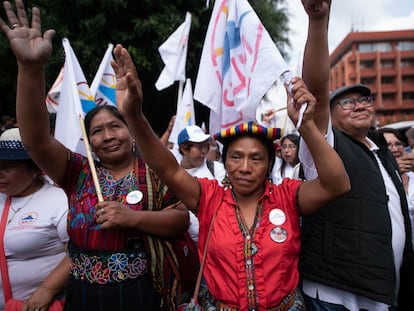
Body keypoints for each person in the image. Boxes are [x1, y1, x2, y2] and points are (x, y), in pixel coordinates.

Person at [108, 38, 351, 309]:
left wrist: (306, 126)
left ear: (270, 164)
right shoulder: (209, 197)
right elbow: (167, 168)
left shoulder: (288, 196)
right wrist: (134, 116)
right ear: (226, 161)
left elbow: (337, 184)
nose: (245, 167)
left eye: (256, 158)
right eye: (236, 157)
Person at [0, 1, 190, 310]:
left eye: (115, 126)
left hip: (142, 292)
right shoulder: (77, 171)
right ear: (88, 142)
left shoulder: (154, 169)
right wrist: (30, 68)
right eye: (97, 131)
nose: (107, 136)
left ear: (130, 133)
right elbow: (34, 139)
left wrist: (134, 218)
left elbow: (181, 220)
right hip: (84, 294)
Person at [300, 0, 414, 310]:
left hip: (383, 295)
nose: (361, 105)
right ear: (330, 116)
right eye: (348, 103)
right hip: (336, 296)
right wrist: (318, 21)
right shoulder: (326, 145)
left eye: (365, 100)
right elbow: (317, 93)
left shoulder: (381, 152)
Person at [0, 128, 70, 311]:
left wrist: (47, 289)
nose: (0, 173)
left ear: (34, 169)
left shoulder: (60, 200)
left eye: (7, 167)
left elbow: (78, 253)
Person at [379, 127, 414, 249]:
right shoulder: (376, 180)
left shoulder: (412, 176)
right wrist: (393, 173)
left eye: (398, 144)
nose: (394, 149)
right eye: (387, 145)